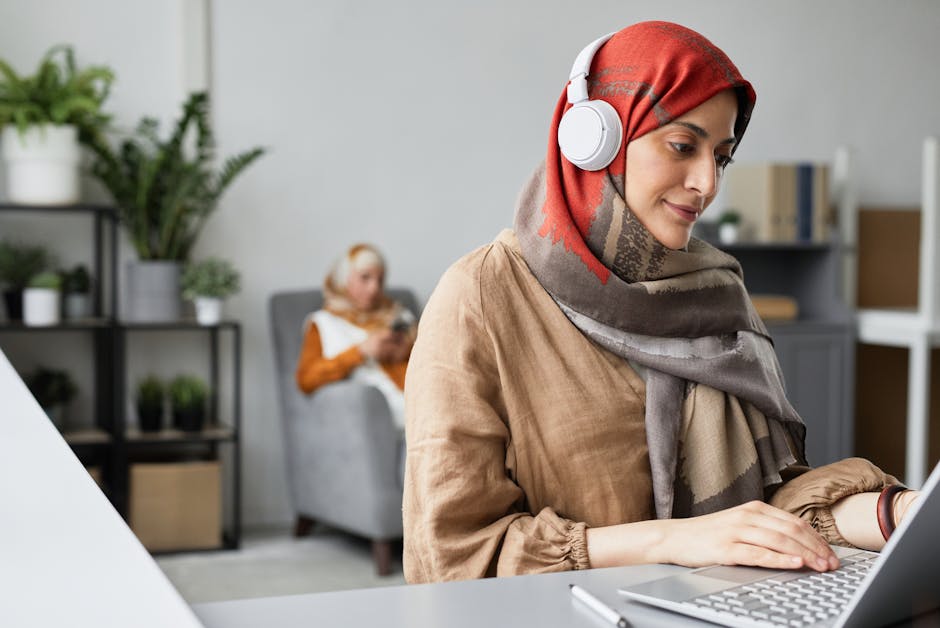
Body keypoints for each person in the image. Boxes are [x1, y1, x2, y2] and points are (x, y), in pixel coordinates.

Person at [402, 21, 920, 583]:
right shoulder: (480, 298)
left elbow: (766, 515)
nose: (707, 183)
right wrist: (672, 540)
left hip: (721, 610)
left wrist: (897, 514)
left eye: (721, 156)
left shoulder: (718, 291)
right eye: (682, 146)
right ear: (596, 139)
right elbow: (451, 557)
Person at [295, 243, 416, 431]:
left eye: (380, 280)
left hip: (412, 404)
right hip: (366, 415)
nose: (374, 288)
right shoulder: (322, 323)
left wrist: (401, 355)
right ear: (344, 278)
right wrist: (361, 351)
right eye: (365, 278)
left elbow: (425, 375)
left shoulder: (399, 317)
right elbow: (307, 380)